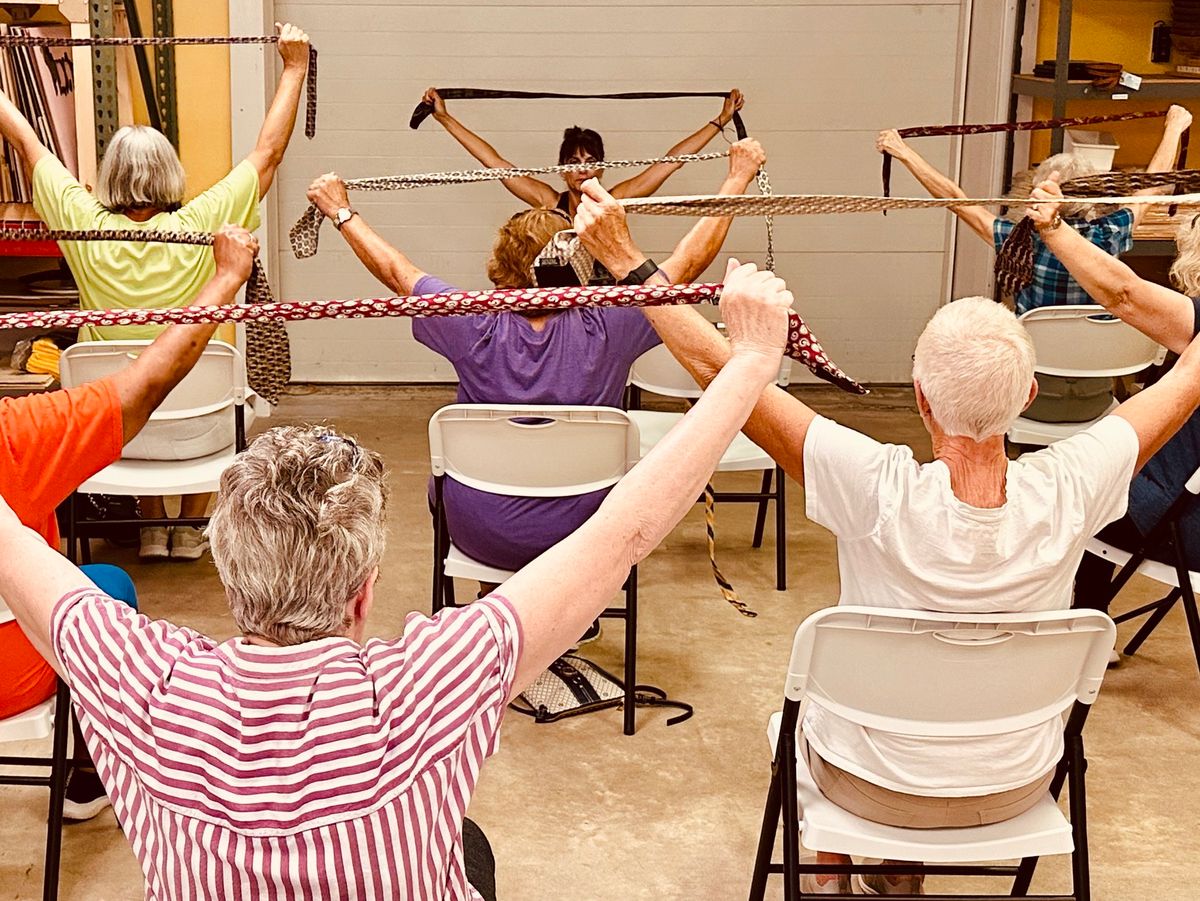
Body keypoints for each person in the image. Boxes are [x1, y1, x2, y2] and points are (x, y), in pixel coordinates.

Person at [0, 259, 794, 900]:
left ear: (228, 569)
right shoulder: (428, 682)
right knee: (466, 846)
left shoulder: (136, 676)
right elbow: (625, 530)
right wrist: (753, 360)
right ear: (366, 586)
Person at [574, 178, 1200, 895]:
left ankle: (833, 872)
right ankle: (896, 870)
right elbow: (1188, 377)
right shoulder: (1078, 480)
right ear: (1028, 396)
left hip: (868, 789)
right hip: (1017, 787)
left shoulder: (872, 485)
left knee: (799, 716)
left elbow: (722, 372)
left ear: (920, 394)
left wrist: (626, 259)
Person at [306, 139, 766, 596]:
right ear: (578, 260)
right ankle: (566, 613)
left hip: (480, 532)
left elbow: (395, 271)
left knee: (451, 488)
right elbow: (687, 262)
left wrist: (340, 211)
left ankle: (497, 604)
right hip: (585, 537)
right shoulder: (613, 324)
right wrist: (738, 175)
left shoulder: (472, 322)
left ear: (501, 263)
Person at [0, 22, 311, 562]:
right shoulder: (204, 220)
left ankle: (150, 527)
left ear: (108, 176)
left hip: (117, 438)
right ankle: (189, 529)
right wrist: (295, 67)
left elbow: (25, 141)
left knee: (136, 379)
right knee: (186, 363)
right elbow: (268, 154)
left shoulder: (83, 224)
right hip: (202, 431)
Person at [0, 225, 260, 822]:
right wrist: (226, 276)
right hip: (16, 674)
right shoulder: (16, 435)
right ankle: (88, 777)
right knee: (107, 589)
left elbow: (31, 149)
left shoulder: (76, 213)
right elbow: (142, 386)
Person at [878, 108, 1192, 426]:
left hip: (1028, 401)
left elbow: (954, 197)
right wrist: (1174, 129)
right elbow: (1150, 188)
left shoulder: (1017, 242)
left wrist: (904, 153)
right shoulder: (1110, 233)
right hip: (1094, 403)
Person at [1026, 176, 1200, 610]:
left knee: (1062, 501)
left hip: (1180, 526)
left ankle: (1075, 626)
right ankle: (1085, 618)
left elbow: (1124, 294)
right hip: (1181, 510)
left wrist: (1052, 227)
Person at [421, 86, 745, 216]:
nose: (583, 169)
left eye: (590, 162)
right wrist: (445, 119)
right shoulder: (550, 201)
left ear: (601, 168)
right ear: (562, 169)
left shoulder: (615, 199)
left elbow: (671, 162)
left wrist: (720, 121)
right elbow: (493, 162)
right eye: (574, 162)